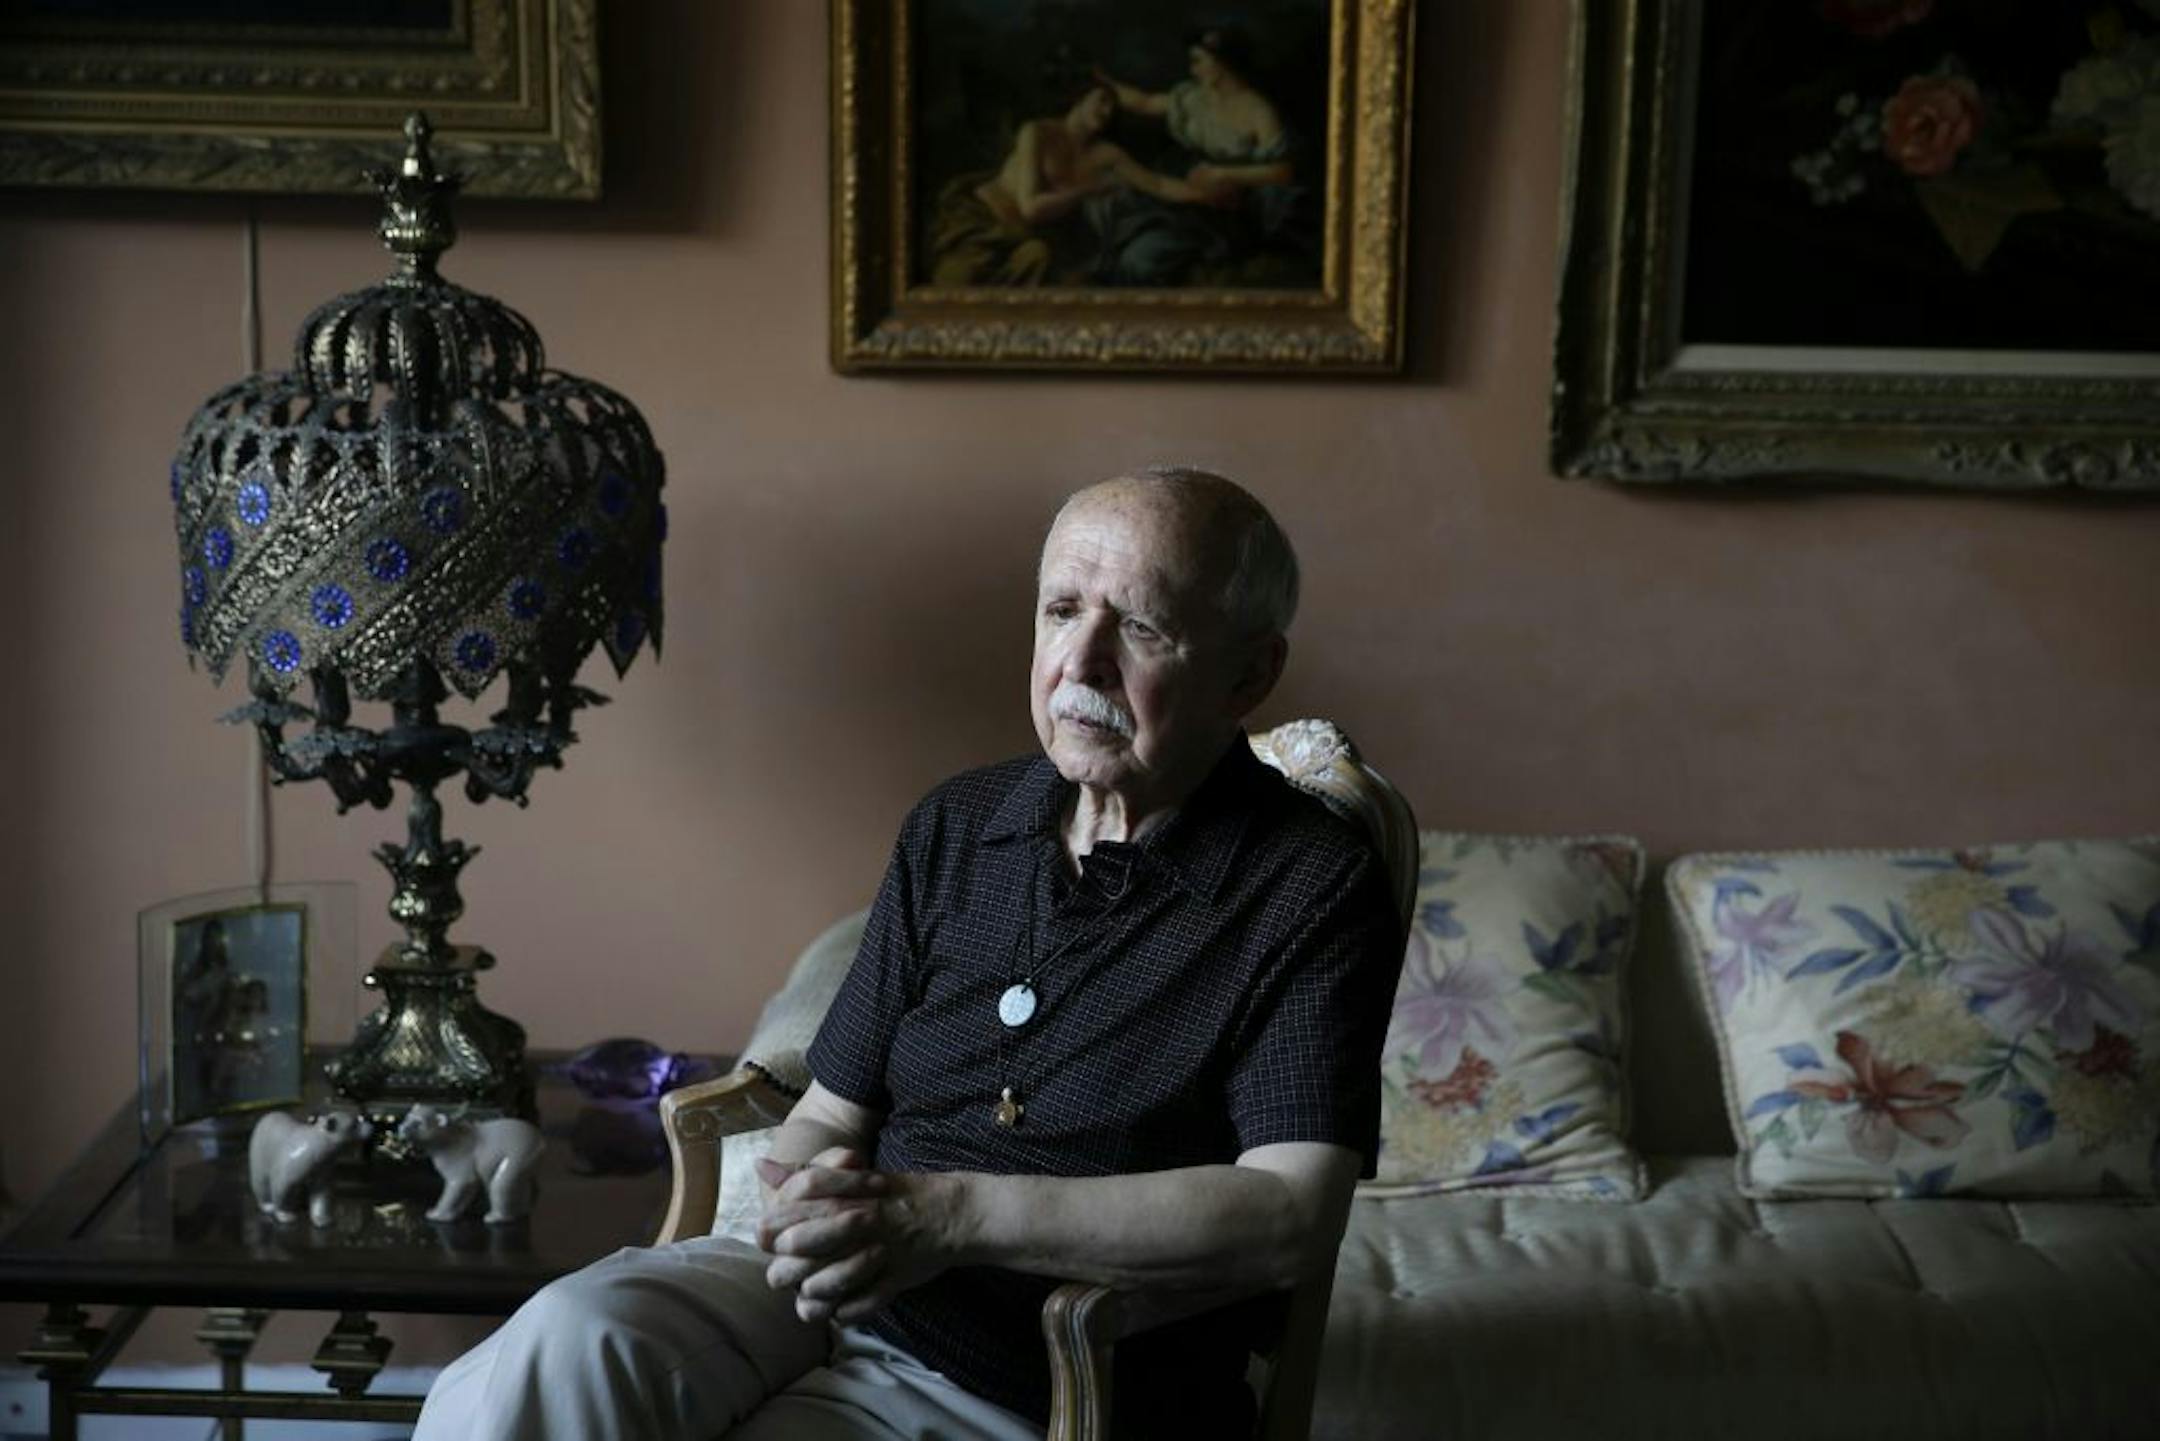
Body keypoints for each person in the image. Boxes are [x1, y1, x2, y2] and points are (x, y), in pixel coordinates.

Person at [414, 467, 1404, 1439]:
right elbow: (832, 1111)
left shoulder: (1307, 881)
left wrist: (949, 1217)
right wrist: (818, 1214)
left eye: (1141, 627)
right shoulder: (960, 824)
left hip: (1035, 1362)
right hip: (830, 1295)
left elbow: (1288, 1212)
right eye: (1062, 609)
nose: (1083, 659)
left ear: (1250, 673)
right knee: (565, 1338)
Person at [928, 84, 1236, 286]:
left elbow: (1157, 184)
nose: (1105, 113)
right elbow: (1031, 208)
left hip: (1026, 246)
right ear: (1079, 97)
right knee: (953, 289)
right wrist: (1090, 191)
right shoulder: (1038, 132)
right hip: (982, 225)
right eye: (1101, 101)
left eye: (1112, 111)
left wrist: (1203, 194)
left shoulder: (1105, 155)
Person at [1088, 29, 1317, 287]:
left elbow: (1283, 172)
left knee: (1145, 257)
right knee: (1128, 241)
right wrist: (1104, 81)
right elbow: (1144, 102)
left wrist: (1224, 174)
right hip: (1186, 196)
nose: (1192, 69)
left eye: (1198, 61)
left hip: (1231, 209)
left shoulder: (1259, 111)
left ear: (1221, 63)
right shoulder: (1194, 99)